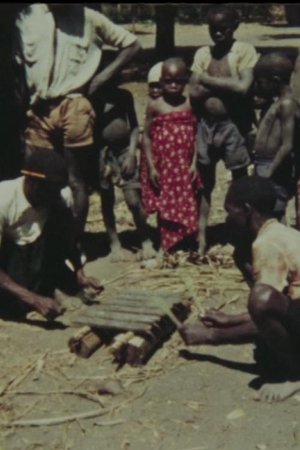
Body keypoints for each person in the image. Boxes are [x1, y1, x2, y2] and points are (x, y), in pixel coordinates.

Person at [14, 4, 140, 253]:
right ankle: (43, 242)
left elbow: (133, 45)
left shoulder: (89, 18)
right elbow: (17, 66)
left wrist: (101, 79)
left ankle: (73, 245)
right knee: (38, 178)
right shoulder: (26, 17)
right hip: (38, 110)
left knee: (76, 181)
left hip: (75, 106)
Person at [180, 176, 300, 402]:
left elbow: (266, 310)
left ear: (246, 210)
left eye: (230, 210)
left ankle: (295, 375)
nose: (227, 218)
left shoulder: (266, 244)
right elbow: (283, 309)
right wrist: (230, 320)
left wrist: (211, 336)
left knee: (260, 298)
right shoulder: (280, 232)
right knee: (264, 337)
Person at [0, 149, 102, 320]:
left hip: (36, 252)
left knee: (61, 216)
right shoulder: (3, 199)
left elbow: (70, 236)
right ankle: (39, 291)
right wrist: (33, 299)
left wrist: (79, 273)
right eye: (51, 190)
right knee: (16, 307)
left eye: (58, 189)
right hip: (10, 258)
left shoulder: (59, 195)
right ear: (32, 182)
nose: (56, 195)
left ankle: (50, 284)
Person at [189, 5, 259, 255]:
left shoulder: (244, 51)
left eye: (222, 29)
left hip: (233, 126)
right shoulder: (203, 54)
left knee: (239, 182)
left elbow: (243, 87)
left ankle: (241, 237)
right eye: (213, 29)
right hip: (206, 125)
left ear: (234, 27)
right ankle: (201, 238)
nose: (217, 34)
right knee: (204, 183)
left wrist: (207, 81)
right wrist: (225, 86)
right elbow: (193, 92)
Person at [141, 57, 202, 254]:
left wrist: (194, 163)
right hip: (163, 165)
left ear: (185, 81)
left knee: (188, 199)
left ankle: (187, 240)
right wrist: (150, 166)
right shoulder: (155, 105)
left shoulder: (190, 104)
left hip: (184, 165)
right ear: (161, 82)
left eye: (179, 81)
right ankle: (165, 244)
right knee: (164, 203)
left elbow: (196, 134)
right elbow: (147, 137)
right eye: (168, 81)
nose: (174, 85)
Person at [92, 76, 155, 261]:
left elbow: (134, 127)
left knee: (134, 199)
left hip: (125, 151)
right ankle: (114, 243)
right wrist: (100, 160)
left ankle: (145, 239)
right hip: (102, 153)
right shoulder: (93, 99)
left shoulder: (124, 96)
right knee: (107, 198)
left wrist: (131, 153)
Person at [252, 52, 300, 223]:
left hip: (275, 166)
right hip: (264, 162)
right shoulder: (277, 102)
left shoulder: (287, 104)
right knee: (266, 207)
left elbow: (287, 145)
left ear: (275, 80)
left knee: (277, 207)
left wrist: (269, 171)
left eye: (261, 82)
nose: (258, 86)